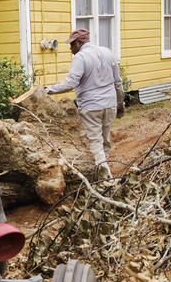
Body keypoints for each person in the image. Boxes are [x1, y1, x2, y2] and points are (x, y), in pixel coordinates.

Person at [46, 29, 124, 179]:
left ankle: (105, 178)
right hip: (109, 104)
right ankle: (103, 168)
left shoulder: (80, 58)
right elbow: (117, 81)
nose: (70, 49)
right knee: (105, 138)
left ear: (80, 42)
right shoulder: (107, 52)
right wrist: (120, 101)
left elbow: (71, 83)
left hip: (91, 107)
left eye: (72, 45)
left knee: (96, 141)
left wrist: (49, 90)